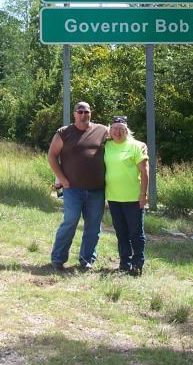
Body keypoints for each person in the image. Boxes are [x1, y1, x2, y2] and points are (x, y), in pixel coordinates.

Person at [47, 101, 109, 271]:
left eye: (86, 111)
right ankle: (58, 259)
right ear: (74, 114)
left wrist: (139, 144)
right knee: (70, 221)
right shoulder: (63, 133)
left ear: (91, 113)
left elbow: (121, 138)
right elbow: (52, 156)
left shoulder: (102, 131)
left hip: (96, 190)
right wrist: (62, 180)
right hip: (72, 189)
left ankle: (87, 259)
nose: (83, 114)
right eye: (80, 111)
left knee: (93, 226)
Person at [104, 115, 149, 276]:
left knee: (135, 233)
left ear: (126, 130)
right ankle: (124, 262)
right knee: (121, 232)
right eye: (114, 129)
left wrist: (143, 194)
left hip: (133, 198)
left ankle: (137, 264)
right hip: (114, 198)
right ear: (110, 130)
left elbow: (145, 172)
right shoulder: (106, 145)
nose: (117, 132)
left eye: (121, 129)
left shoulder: (136, 146)